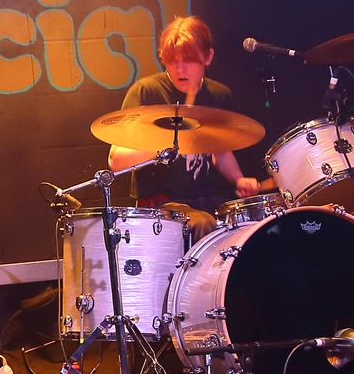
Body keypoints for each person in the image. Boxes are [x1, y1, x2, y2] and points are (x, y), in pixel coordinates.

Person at [109, 16, 272, 239]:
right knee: (203, 224)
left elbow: (220, 151)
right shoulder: (147, 93)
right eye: (172, 60)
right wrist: (168, 143)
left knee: (251, 221)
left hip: (207, 199)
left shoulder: (218, 95)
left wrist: (238, 179)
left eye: (189, 60)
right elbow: (116, 160)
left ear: (208, 57)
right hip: (162, 203)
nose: (180, 69)